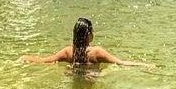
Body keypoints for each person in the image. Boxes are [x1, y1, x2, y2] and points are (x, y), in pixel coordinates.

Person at [22, 17, 151, 68]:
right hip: (91, 83)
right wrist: (144, 65)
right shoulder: (96, 52)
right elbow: (121, 63)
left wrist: (25, 58)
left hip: (74, 82)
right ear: (89, 35)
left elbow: (45, 61)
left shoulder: (68, 52)